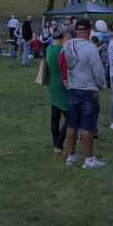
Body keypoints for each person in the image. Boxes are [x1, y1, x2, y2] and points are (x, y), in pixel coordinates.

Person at [62, 18, 108, 168]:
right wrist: (102, 85)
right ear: (89, 32)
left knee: (71, 124)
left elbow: (62, 64)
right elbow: (98, 70)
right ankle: (89, 159)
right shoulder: (91, 48)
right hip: (88, 90)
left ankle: (71, 156)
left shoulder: (68, 45)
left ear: (76, 31)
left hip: (73, 89)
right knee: (88, 126)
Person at [45, 24, 70, 155]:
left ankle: (56, 146)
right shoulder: (61, 49)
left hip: (52, 84)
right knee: (70, 118)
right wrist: (65, 44)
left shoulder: (49, 48)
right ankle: (58, 146)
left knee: (55, 117)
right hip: (61, 85)